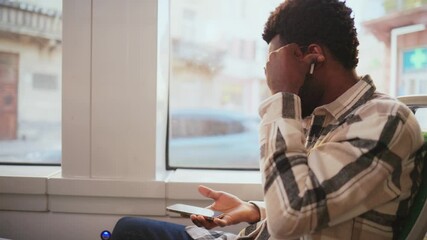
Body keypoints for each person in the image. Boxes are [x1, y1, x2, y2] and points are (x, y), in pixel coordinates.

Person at [111, 0, 425, 239]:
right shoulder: (319, 118)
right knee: (129, 228)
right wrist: (254, 209)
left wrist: (283, 95)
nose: (270, 76)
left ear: (312, 56)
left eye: (276, 63)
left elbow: (291, 216)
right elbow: (316, 200)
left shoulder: (384, 119)